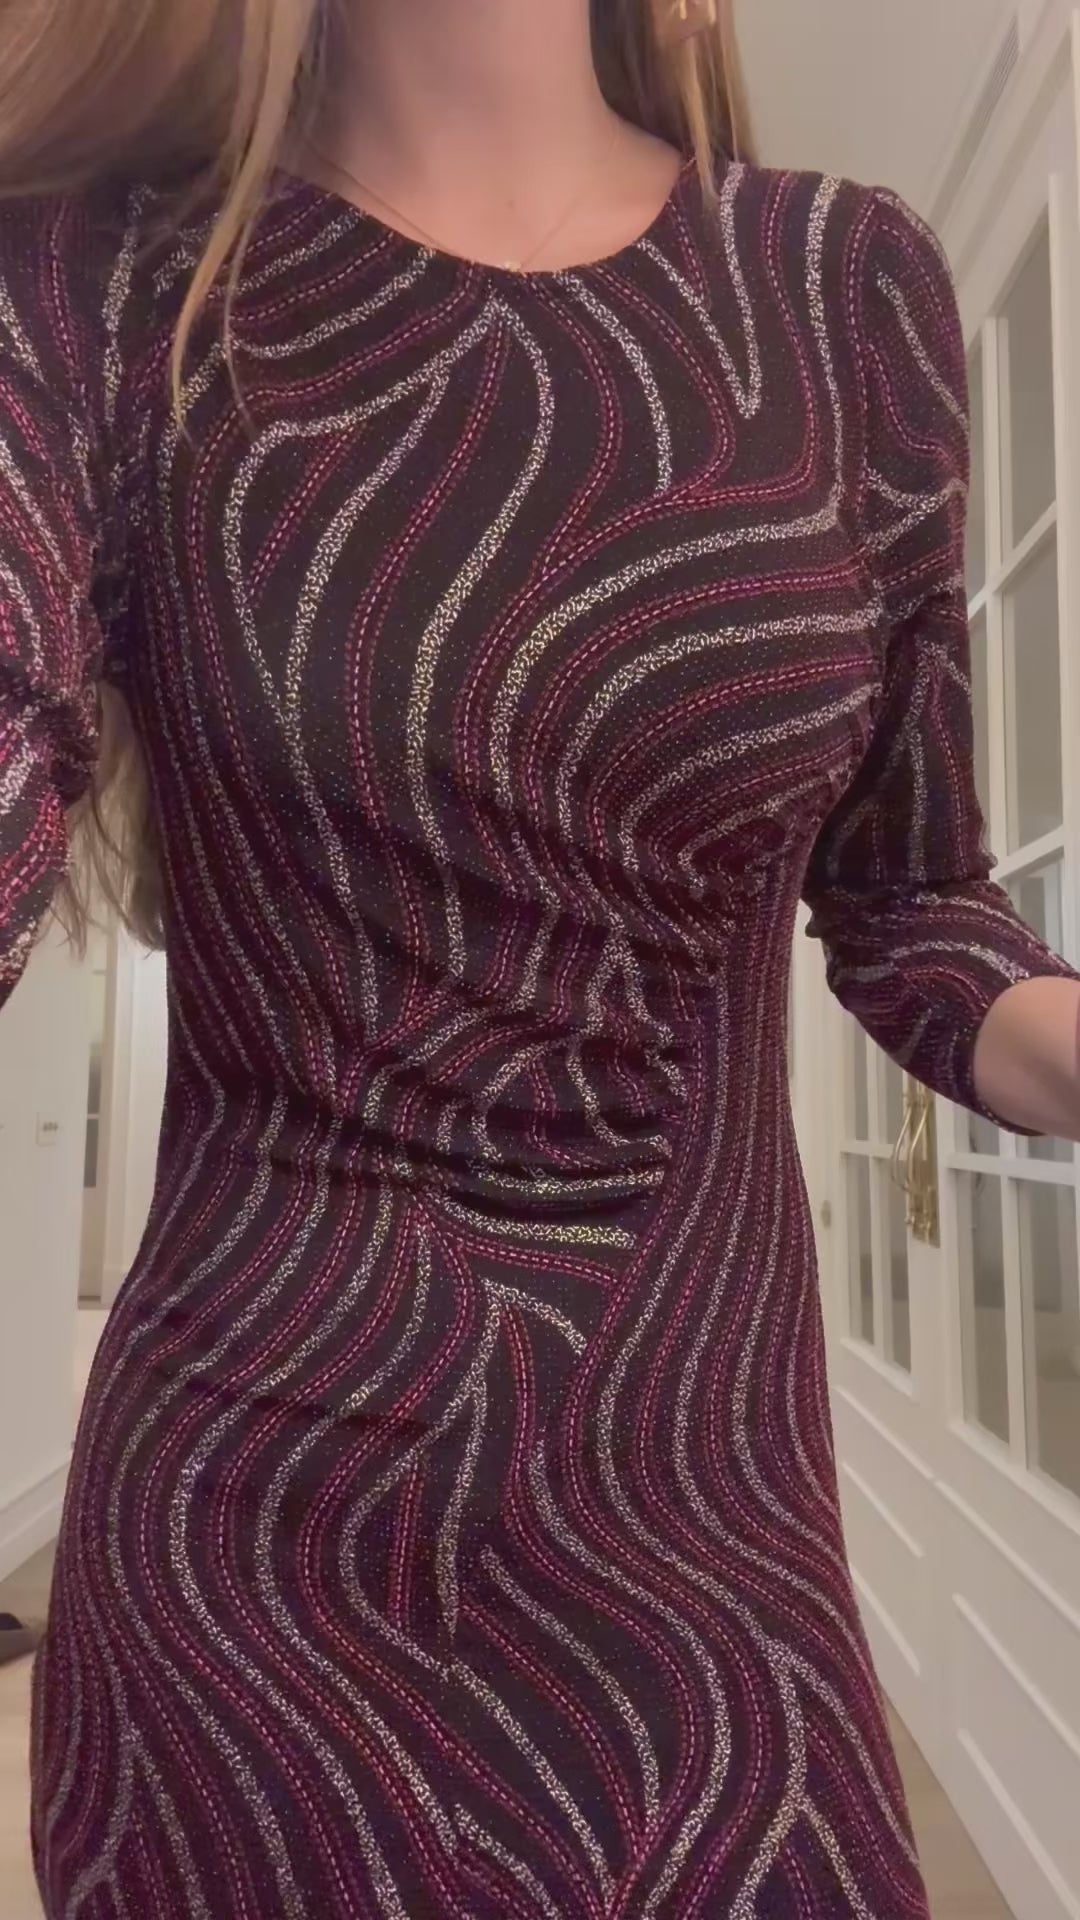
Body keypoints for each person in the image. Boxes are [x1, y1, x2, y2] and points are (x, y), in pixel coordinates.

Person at [1, 0, 1078, 1912]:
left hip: (714, 1534)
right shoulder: (98, 281)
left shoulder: (845, 288)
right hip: (241, 1587)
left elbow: (917, 903)